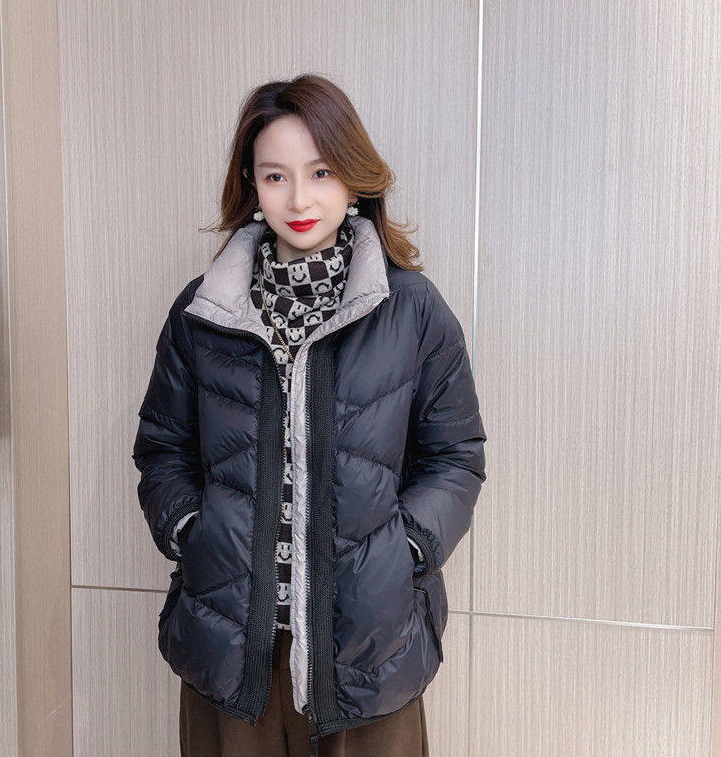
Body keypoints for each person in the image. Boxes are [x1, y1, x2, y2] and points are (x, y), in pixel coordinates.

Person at [132, 73, 487, 757]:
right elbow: (163, 449)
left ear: (354, 179)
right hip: (232, 647)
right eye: (276, 176)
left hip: (369, 649)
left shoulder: (413, 311)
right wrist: (190, 531)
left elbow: (456, 455)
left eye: (321, 172)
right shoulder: (203, 311)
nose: (299, 199)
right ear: (251, 185)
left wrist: (405, 551)